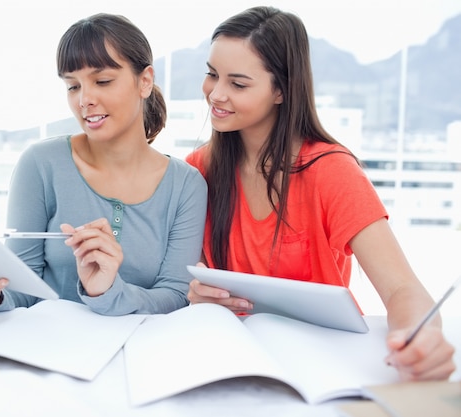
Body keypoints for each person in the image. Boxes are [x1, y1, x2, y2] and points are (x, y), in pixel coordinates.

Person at [186, 6, 455, 381]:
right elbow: (185, 278)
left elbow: (401, 288)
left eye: (238, 83)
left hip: (323, 362)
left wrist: (421, 335)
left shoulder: (331, 170)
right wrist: (195, 293)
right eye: (212, 74)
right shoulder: (198, 169)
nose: (216, 94)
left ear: (281, 90)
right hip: (231, 359)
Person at [0, 13, 207, 316]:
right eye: (72, 86)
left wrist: (108, 291)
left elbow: (176, 296)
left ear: (145, 81)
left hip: (142, 352)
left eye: (103, 81)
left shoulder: (186, 185)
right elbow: (22, 288)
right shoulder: (41, 165)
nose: (84, 99)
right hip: (47, 351)